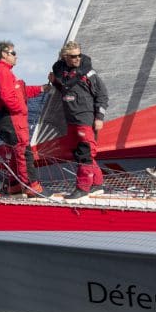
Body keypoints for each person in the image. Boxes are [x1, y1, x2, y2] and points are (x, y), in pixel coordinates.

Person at [49, 40, 109, 200]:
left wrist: (99, 118)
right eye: (73, 56)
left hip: (85, 119)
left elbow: (102, 95)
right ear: (65, 57)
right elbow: (66, 89)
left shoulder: (89, 73)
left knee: (85, 154)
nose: (77, 59)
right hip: (71, 120)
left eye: (79, 55)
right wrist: (55, 81)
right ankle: (97, 184)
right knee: (79, 153)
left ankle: (82, 188)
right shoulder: (64, 74)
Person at [0, 40, 49, 197]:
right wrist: (22, 109)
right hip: (12, 119)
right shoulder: (2, 72)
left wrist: (42, 89)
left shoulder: (1, 71)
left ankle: (14, 185)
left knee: (16, 152)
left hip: (7, 118)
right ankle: (30, 186)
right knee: (23, 152)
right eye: (13, 53)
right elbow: (8, 97)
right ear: (4, 54)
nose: (16, 56)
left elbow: (19, 92)